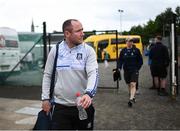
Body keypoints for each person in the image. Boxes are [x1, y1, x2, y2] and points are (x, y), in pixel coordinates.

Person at [41, 19, 99, 130]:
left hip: (83, 107)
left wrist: (89, 94)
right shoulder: (56, 50)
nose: (83, 33)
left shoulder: (88, 51)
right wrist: (45, 99)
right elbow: (47, 75)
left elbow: (93, 74)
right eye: (78, 31)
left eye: (82, 30)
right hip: (60, 107)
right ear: (67, 34)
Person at [118, 38, 143, 107]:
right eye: (128, 41)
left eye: (131, 41)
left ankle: (131, 99)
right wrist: (119, 68)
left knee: (133, 84)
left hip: (134, 70)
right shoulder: (123, 51)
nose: (129, 42)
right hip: (126, 70)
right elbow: (120, 60)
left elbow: (140, 61)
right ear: (126, 42)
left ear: (132, 43)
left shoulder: (136, 50)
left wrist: (137, 68)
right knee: (129, 84)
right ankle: (132, 96)